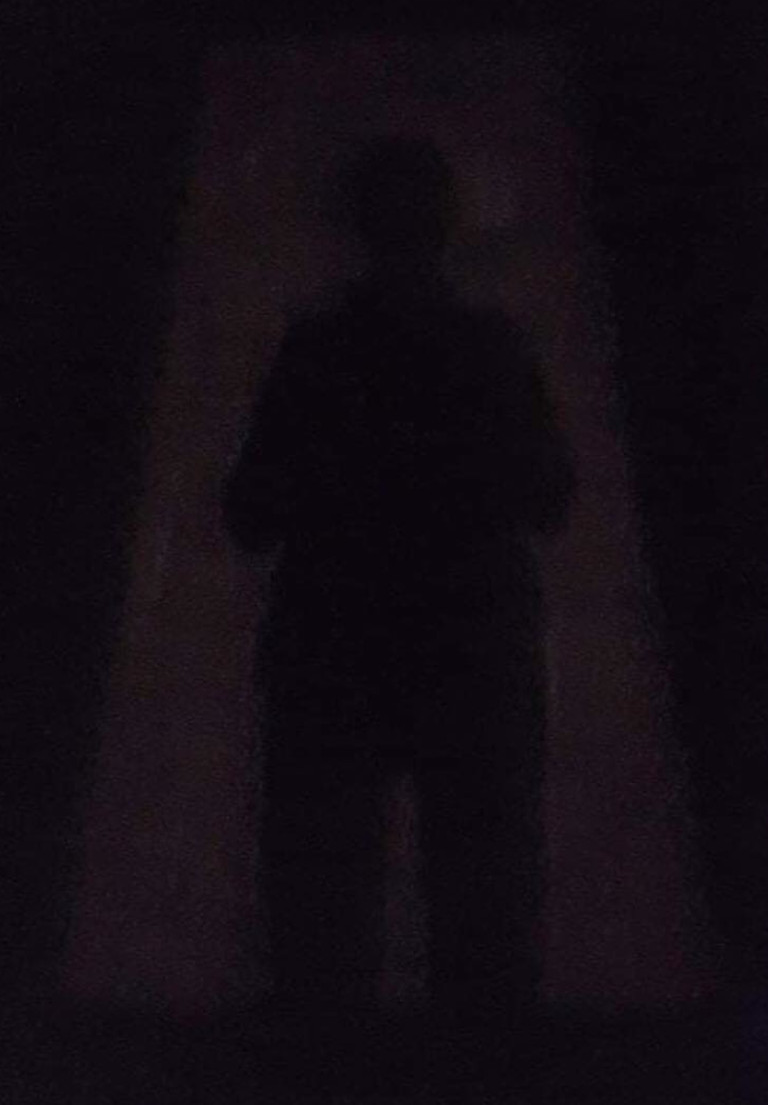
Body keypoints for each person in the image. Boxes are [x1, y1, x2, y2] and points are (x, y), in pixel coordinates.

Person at [223, 136, 574, 1088]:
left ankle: (326, 1077)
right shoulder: (491, 351)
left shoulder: (318, 352)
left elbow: (251, 513)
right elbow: (551, 498)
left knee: (323, 908)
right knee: (483, 902)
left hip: (337, 647)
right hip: (470, 646)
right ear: (447, 226)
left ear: (354, 226)